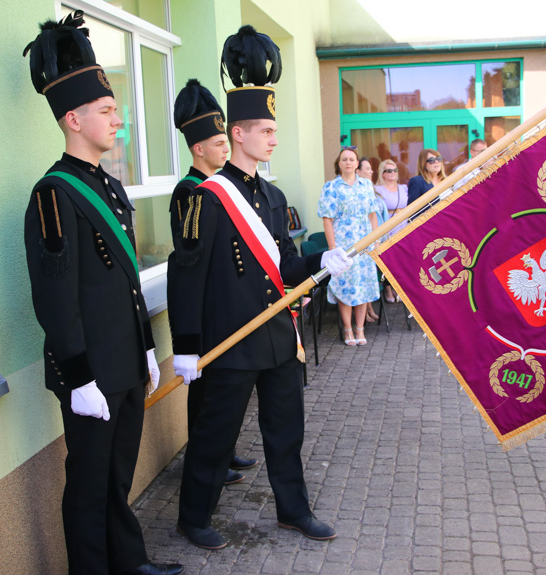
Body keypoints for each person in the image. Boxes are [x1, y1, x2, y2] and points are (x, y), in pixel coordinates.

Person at [167, 25, 351, 550]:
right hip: (229, 341)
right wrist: (185, 347)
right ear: (239, 134)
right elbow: (186, 276)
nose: (273, 138)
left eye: (273, 130)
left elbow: (287, 265)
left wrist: (323, 261)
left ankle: (294, 510)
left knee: (285, 433)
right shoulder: (207, 196)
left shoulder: (272, 196)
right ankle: (193, 516)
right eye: (265, 131)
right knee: (214, 436)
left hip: (276, 337)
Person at [22, 12, 182, 575]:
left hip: (123, 363)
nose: (120, 119)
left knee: (118, 476)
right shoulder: (52, 194)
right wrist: (79, 375)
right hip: (89, 371)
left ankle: (128, 562)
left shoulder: (110, 187)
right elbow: (55, 300)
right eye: (108, 111)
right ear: (73, 118)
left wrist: (143, 347)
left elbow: (127, 282)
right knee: (88, 487)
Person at [170, 79, 258, 486]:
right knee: (204, 394)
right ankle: (207, 459)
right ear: (198, 148)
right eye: (219, 143)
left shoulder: (220, 188)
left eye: (227, 141)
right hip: (204, 310)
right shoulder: (190, 193)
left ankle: (223, 451)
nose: (227, 149)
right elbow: (191, 261)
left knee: (222, 391)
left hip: (226, 307)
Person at [318, 147, 380, 346]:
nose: (348, 162)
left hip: (363, 243)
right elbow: (327, 219)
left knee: (362, 286)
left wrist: (375, 237)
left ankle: (360, 328)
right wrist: (332, 246)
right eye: (344, 159)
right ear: (339, 163)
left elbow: (372, 214)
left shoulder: (366, 185)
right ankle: (347, 329)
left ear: (356, 164)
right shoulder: (331, 187)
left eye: (351, 159)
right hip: (343, 244)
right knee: (345, 286)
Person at [375, 158, 408, 303]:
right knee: (388, 259)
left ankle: (398, 288)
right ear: (382, 173)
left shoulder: (404, 188)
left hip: (403, 226)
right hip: (388, 226)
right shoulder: (378, 189)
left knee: (402, 260)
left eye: (394, 170)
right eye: (388, 170)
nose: (392, 173)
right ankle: (388, 289)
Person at [357, 156, 382, 323]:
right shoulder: (355, 189)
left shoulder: (369, 187)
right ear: (357, 171)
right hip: (359, 238)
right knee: (360, 279)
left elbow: (375, 215)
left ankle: (369, 308)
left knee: (368, 278)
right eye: (367, 168)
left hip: (371, 237)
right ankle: (363, 313)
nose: (371, 171)